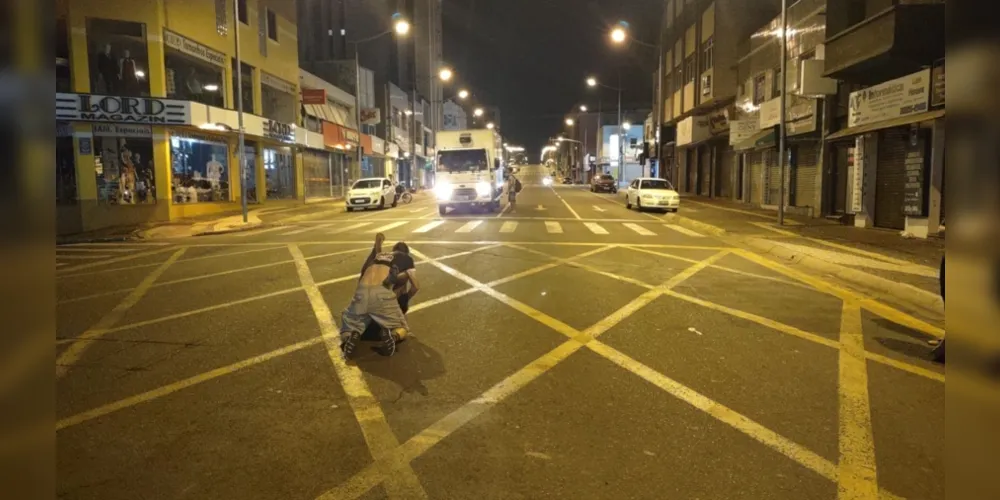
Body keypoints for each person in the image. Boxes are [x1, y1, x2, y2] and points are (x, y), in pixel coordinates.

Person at [340, 232, 419, 358]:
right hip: (382, 293)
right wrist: (405, 297)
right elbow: (415, 287)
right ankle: (393, 336)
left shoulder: (380, 256)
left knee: (348, 325)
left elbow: (363, 273)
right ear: (407, 252)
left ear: (393, 250)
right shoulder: (407, 259)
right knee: (402, 327)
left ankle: (349, 337)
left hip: (362, 290)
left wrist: (378, 243)